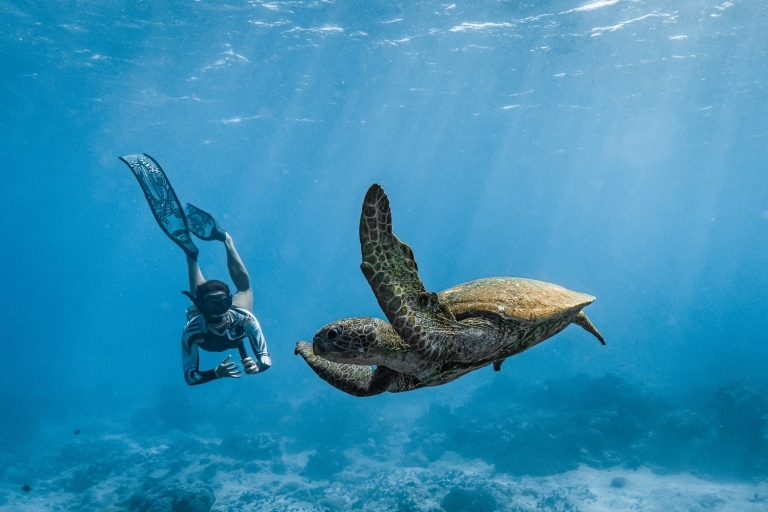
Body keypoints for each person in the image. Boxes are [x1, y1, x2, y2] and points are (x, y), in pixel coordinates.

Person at [119, 154, 271, 385]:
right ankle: (199, 253)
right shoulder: (193, 330)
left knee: (244, 289)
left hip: (208, 318)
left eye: (222, 303)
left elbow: (266, 359)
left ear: (228, 302)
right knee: (241, 289)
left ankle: (218, 244)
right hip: (200, 316)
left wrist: (258, 365)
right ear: (203, 307)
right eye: (212, 305)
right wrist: (217, 373)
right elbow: (190, 378)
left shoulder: (243, 319)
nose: (219, 311)